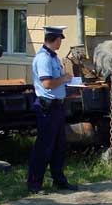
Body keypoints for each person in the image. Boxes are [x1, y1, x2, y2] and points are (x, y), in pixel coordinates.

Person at [27, 26, 77, 194]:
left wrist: (65, 81)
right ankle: (34, 184)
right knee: (44, 147)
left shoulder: (53, 57)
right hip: (47, 107)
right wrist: (64, 79)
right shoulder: (44, 59)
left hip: (57, 106)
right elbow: (47, 83)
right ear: (55, 39)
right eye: (60, 39)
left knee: (58, 147)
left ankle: (59, 180)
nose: (61, 42)